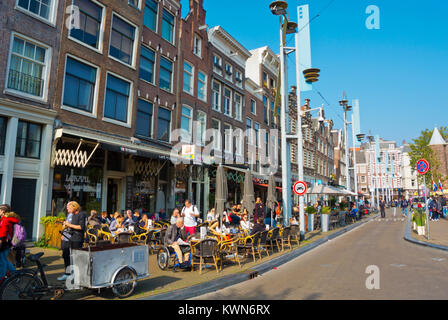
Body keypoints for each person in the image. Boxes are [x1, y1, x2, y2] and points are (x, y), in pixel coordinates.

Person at [57, 201, 86, 281]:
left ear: (74, 207)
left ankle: (76, 276)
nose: (67, 209)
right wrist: (64, 233)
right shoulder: (71, 215)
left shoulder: (81, 214)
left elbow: (81, 227)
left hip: (77, 238)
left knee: (76, 257)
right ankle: (67, 273)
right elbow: (68, 225)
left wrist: (69, 225)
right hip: (68, 237)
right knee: (66, 255)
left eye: (68, 208)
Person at [0, 207, 20, 283]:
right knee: (4, 260)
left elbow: (3, 233)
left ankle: (1, 279)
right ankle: (16, 275)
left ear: (3, 211)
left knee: (2, 262)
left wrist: (0, 242)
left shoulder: (5, 220)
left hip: (4, 244)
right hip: (7, 244)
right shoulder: (6, 219)